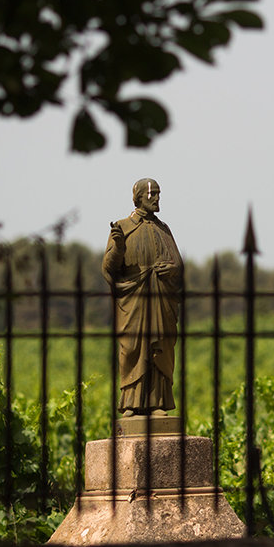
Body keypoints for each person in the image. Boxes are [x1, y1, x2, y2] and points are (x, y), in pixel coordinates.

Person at [102, 177, 184, 416]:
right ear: (138, 197)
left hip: (160, 298)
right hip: (134, 299)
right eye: (152, 195)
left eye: (158, 194)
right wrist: (117, 246)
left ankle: (158, 402)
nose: (157, 199)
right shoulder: (122, 227)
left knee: (160, 346)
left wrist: (173, 269)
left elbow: (177, 263)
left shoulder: (163, 228)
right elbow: (109, 268)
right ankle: (131, 403)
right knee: (133, 348)